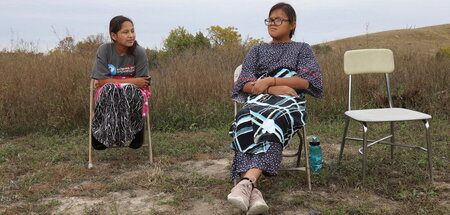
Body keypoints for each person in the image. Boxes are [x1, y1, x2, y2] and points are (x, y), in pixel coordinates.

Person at [227, 3, 323, 214]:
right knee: (243, 118)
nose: (272, 23)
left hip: (290, 102)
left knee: (272, 120)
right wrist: (273, 88)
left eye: (278, 19)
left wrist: (271, 81)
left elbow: (306, 81)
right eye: (269, 19)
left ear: (292, 24)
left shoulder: (302, 49)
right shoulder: (258, 49)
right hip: (260, 99)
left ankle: (244, 183)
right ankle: (252, 190)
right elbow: (245, 82)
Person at [90, 15, 151, 150]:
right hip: (109, 90)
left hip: (132, 92)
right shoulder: (104, 50)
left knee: (129, 90)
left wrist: (119, 82)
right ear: (114, 35)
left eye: (132, 31)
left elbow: (143, 83)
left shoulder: (139, 52)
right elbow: (101, 80)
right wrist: (132, 81)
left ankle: (137, 130)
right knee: (110, 89)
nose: (131, 35)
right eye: (125, 32)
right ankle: (99, 133)